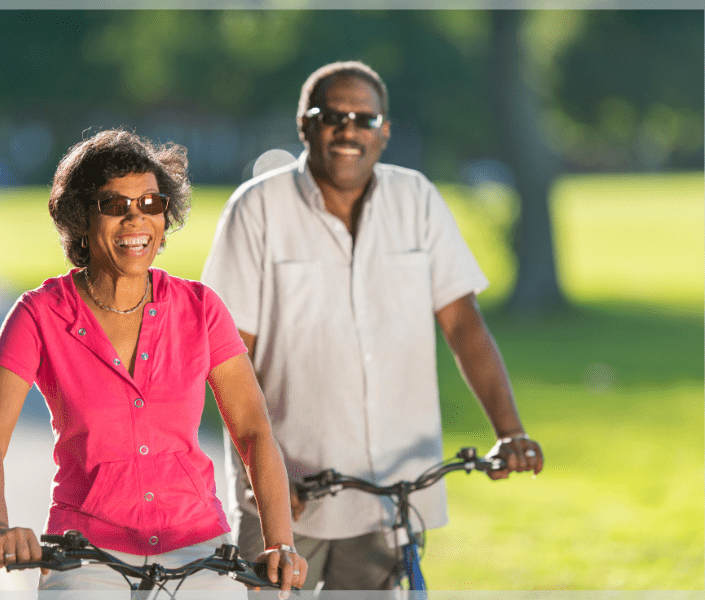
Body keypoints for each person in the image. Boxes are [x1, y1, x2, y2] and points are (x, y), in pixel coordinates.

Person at [201, 61, 545, 591]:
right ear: (305, 125)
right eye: (333, 116)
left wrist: (510, 431)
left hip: (390, 495)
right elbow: (227, 356)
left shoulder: (417, 201)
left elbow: (463, 325)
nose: (349, 130)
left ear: (384, 131)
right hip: (288, 497)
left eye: (365, 119)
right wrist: (265, 471)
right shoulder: (257, 210)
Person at [0, 128, 306, 597]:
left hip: (197, 549)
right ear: (81, 216)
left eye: (150, 204)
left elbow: (253, 431)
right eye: (113, 205)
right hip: (85, 553)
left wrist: (280, 544)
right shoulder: (39, 314)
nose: (135, 220)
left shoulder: (201, 308)